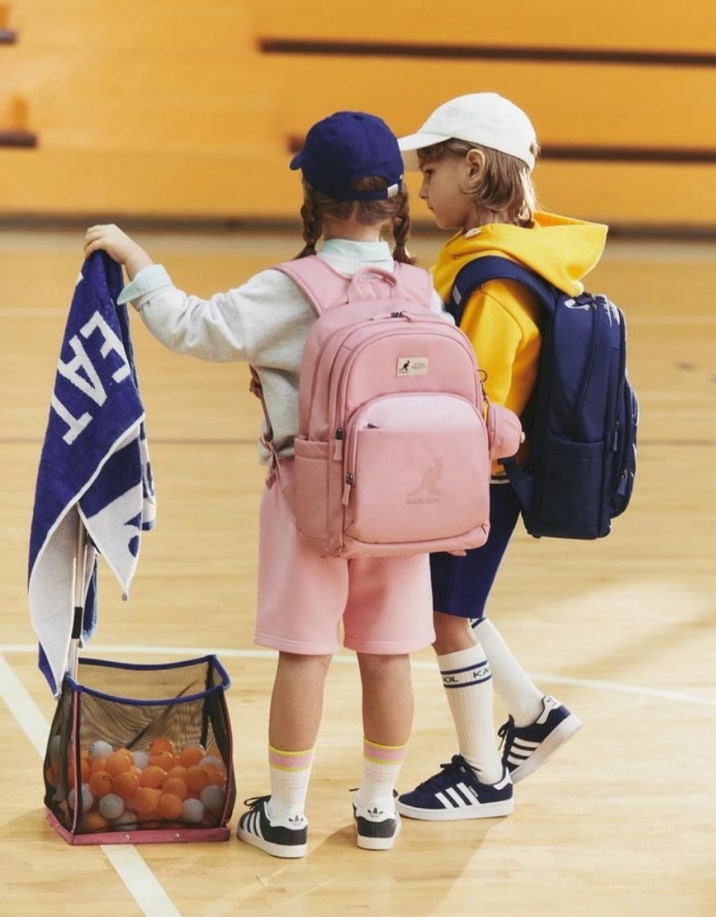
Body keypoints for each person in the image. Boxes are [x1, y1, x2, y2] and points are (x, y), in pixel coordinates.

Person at [82, 111, 453, 858]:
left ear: (311, 199)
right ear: (395, 202)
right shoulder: (420, 289)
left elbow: (193, 327)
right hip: (405, 506)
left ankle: (285, 816)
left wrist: (136, 259)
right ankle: (378, 809)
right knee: (390, 655)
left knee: (305, 652)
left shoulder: (293, 288)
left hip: (309, 501)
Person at [393, 92, 607, 820]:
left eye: (431, 170)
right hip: (484, 478)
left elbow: (469, 403)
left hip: (473, 480)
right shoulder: (503, 257)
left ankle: (483, 775)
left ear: (476, 168)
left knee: (445, 620)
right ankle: (534, 717)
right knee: (459, 608)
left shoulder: (494, 280)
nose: (421, 186)